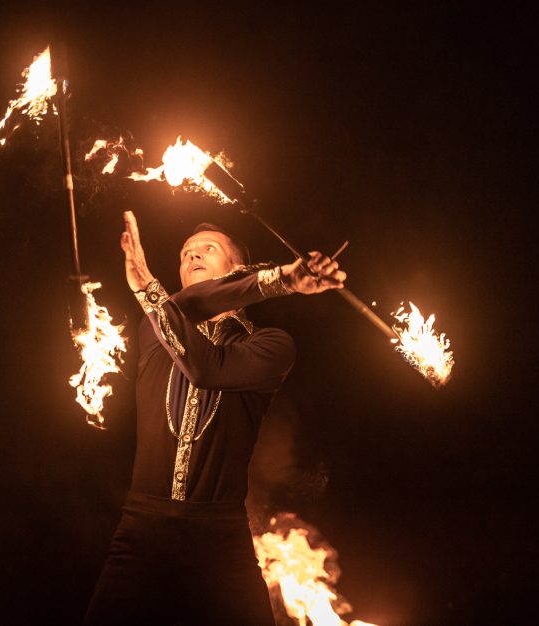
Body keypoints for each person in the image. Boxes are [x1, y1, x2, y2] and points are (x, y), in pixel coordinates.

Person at [83, 211, 346, 625]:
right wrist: (282, 280)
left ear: (237, 272)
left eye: (208, 250)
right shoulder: (156, 328)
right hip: (141, 530)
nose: (192, 256)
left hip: (219, 535)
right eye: (186, 253)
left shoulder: (272, 346)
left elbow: (208, 369)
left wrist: (280, 280)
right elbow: (187, 304)